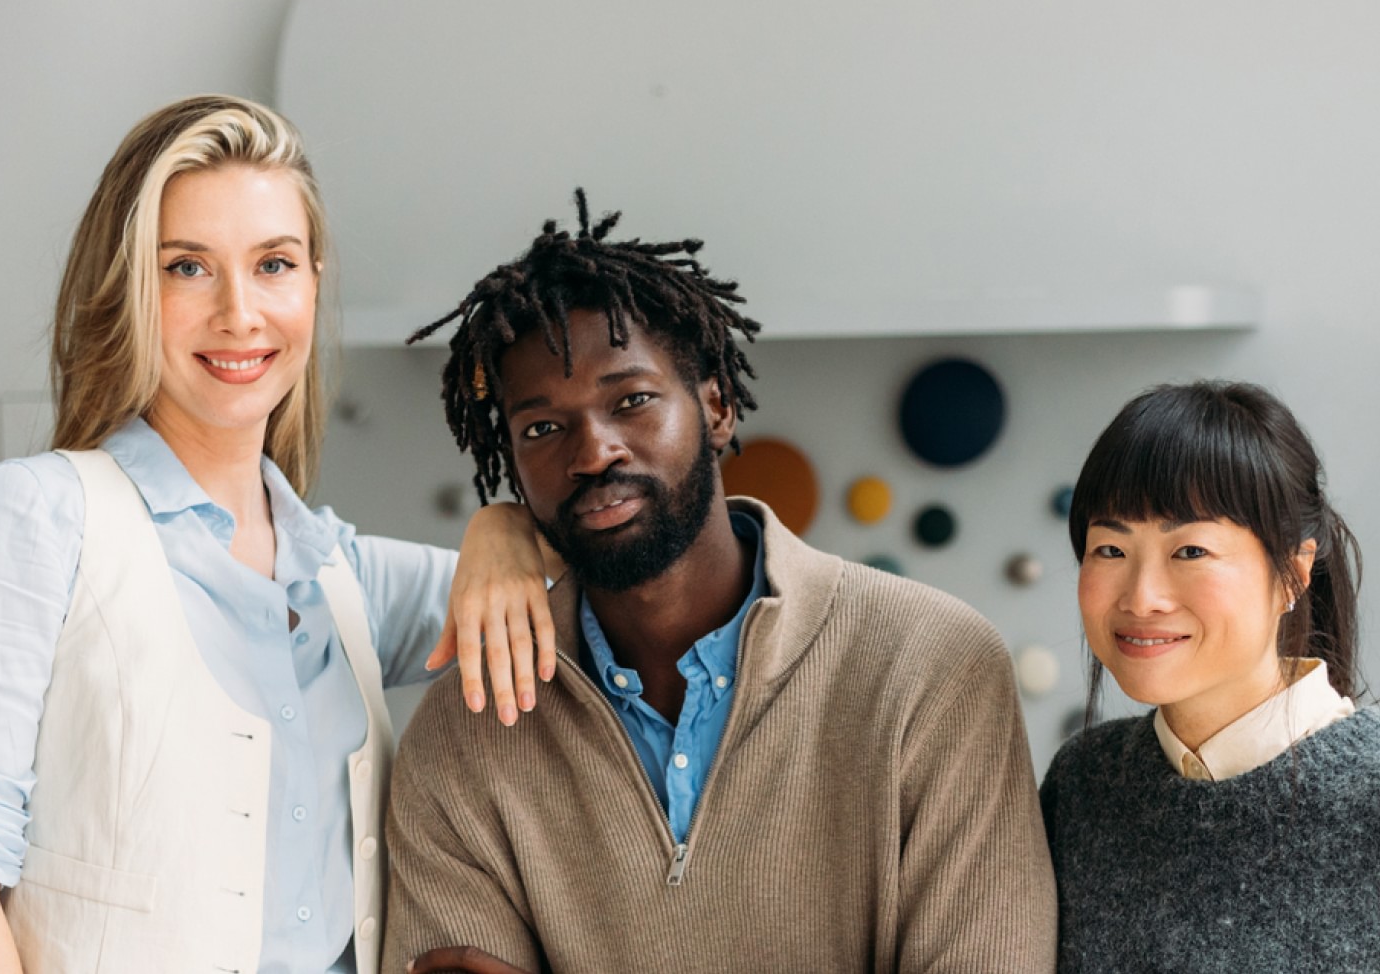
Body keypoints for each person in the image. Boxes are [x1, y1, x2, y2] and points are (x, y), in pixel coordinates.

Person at [0, 95, 554, 974]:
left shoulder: (336, 571)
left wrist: (503, 527)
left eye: (273, 264)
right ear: (126, 290)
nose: (239, 312)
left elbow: (604, 553)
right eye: (187, 267)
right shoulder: (33, 518)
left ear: (311, 281)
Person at [383, 190, 1057, 974]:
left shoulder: (934, 666)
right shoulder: (464, 732)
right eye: (541, 427)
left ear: (717, 406)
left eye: (631, 400)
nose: (592, 450)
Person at [1040, 380, 1376, 973]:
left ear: (1294, 573)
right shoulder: (1081, 785)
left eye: (1191, 551)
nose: (1142, 598)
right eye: (1110, 550)